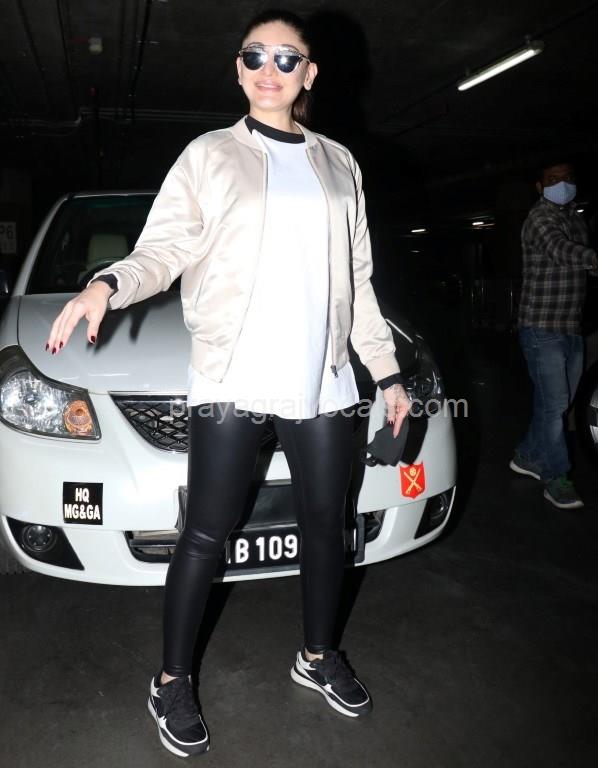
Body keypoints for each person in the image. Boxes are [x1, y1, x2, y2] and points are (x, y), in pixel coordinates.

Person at [45, 9, 411, 758]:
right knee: (207, 533)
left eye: (287, 58)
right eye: (254, 55)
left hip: (322, 378)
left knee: (326, 526)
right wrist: (107, 284)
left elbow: (359, 280)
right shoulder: (210, 155)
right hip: (233, 374)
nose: (269, 69)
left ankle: (317, 655)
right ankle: (171, 679)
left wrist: (387, 370)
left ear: (309, 73)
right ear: (238, 70)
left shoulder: (340, 164)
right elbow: (163, 248)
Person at [510, 160, 598, 510]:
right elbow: (560, 250)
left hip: (570, 327)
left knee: (555, 404)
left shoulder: (575, 219)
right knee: (555, 406)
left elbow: (582, 267)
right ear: (540, 186)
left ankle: (527, 456)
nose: (560, 183)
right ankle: (556, 478)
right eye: (552, 179)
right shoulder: (539, 218)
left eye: (566, 178)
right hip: (541, 327)